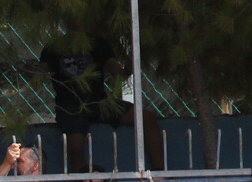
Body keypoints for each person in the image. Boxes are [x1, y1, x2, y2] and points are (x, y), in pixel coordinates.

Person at [38, 25, 164, 172]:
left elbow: (118, 73)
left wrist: (129, 69)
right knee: (75, 144)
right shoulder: (54, 47)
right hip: (69, 106)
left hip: (98, 101)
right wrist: (32, 70)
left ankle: (159, 174)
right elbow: (39, 74)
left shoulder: (98, 44)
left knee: (147, 118)